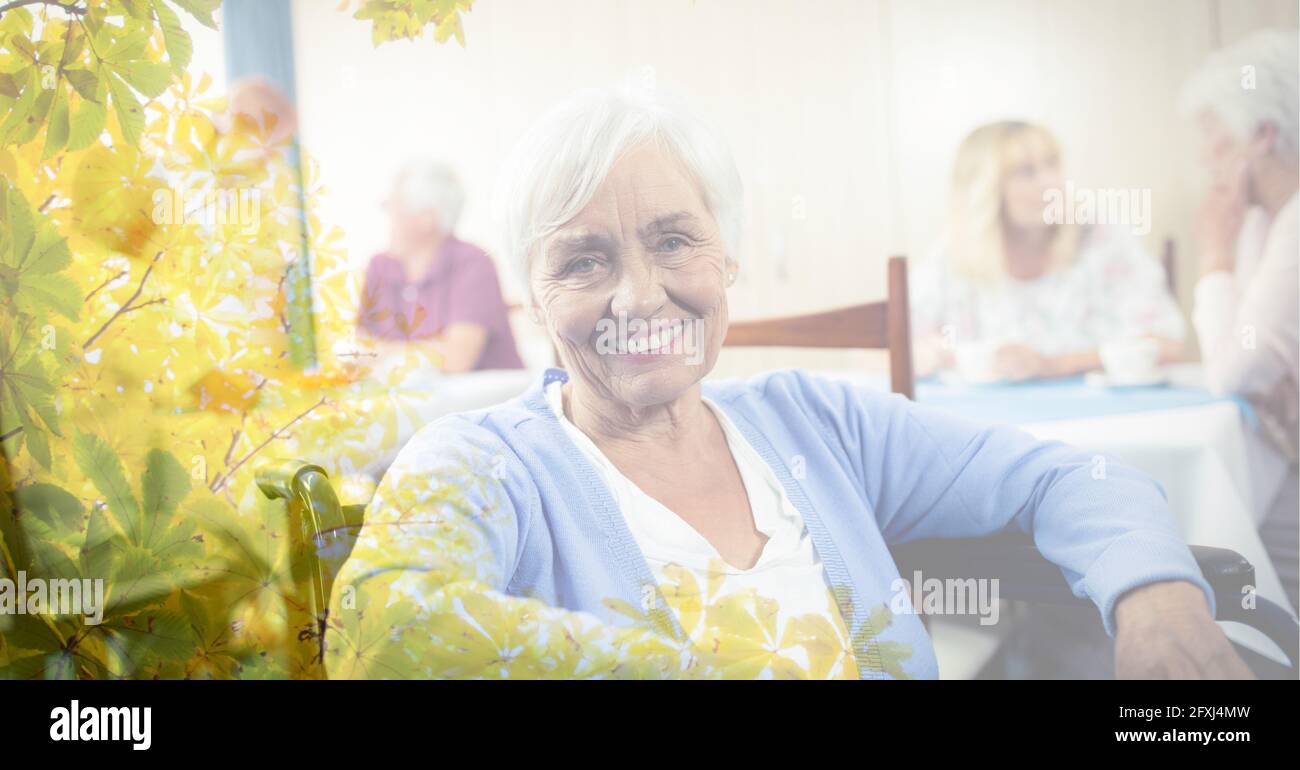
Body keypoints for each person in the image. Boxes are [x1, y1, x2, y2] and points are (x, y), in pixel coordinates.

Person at [325, 87, 1249, 680]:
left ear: (725, 259)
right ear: (531, 293)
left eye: (674, 240)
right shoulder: (483, 462)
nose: (639, 293)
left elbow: (1071, 478)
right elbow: (381, 632)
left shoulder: (816, 423)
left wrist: (1155, 598)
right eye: (583, 259)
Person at [911, 121, 1185, 382]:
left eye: (1052, 165)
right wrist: (926, 355)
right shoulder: (953, 258)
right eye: (1026, 172)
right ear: (985, 189)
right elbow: (899, 350)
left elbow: (1170, 344)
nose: (1051, 182)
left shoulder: (1101, 238)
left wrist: (1054, 365)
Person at [1180, 28, 1299, 610]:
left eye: (1214, 139)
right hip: (1287, 458)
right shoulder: (1265, 222)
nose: (1205, 159)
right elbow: (1244, 368)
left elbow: (1231, 369)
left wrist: (1213, 254)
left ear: (1263, 135)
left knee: (1206, 554)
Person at [357, 159, 524, 372]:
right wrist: (431, 350)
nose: (387, 215)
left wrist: (382, 352)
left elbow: (456, 360)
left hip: (484, 398)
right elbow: (356, 350)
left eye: (391, 206)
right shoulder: (380, 265)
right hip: (418, 400)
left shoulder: (473, 262)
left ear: (427, 218)